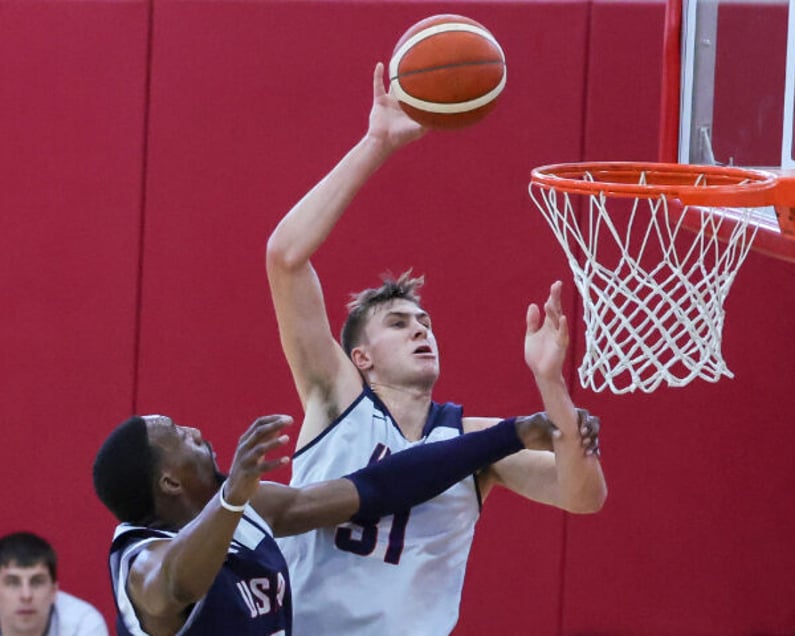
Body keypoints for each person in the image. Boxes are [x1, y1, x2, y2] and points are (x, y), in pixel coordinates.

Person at [266, 62, 608, 635]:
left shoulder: (476, 442)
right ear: (361, 357)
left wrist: (551, 383)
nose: (421, 329)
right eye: (398, 323)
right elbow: (284, 257)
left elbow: (584, 497)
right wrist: (376, 143)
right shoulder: (335, 399)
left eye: (424, 321)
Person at [92, 410, 557, 635]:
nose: (194, 430)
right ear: (170, 482)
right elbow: (174, 585)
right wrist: (232, 496)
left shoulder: (255, 509)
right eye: (177, 433)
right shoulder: (139, 561)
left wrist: (507, 436)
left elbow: (375, 488)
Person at [0, 532, 108, 636]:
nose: (26, 595)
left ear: (53, 591)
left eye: (37, 582)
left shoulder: (83, 624)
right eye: (12, 583)